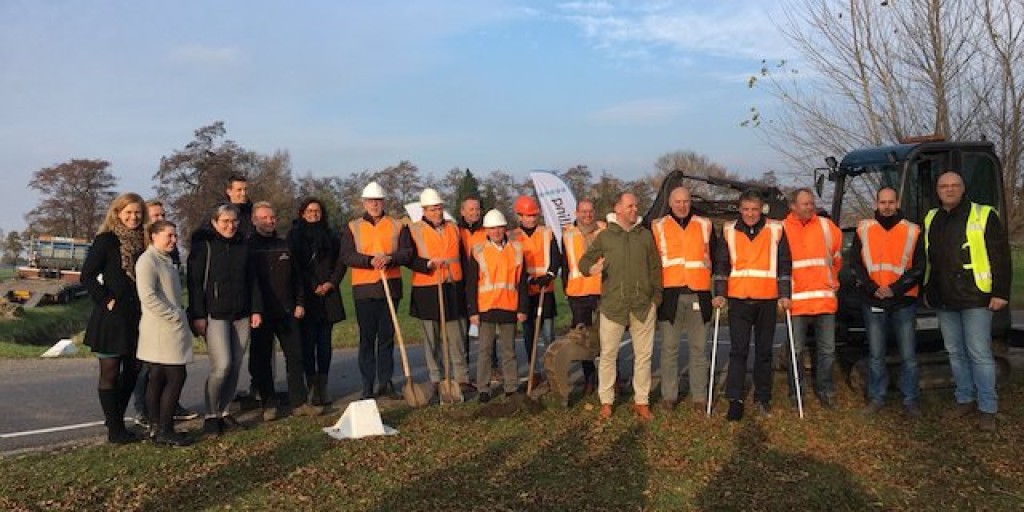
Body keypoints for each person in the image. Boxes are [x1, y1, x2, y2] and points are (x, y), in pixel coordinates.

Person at [924, 170, 1012, 432]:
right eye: (943, 186)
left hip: (976, 297)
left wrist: (1000, 293)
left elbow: (1000, 256)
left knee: (979, 354)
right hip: (944, 298)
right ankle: (964, 398)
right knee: (955, 353)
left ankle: (987, 407)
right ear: (938, 190)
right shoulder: (932, 217)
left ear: (963, 188)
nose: (949, 190)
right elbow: (930, 258)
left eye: (954, 185)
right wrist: (928, 291)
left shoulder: (983, 214)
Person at [579, 192, 662, 422]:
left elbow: (655, 268)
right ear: (617, 208)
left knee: (643, 356)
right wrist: (591, 269)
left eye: (636, 206)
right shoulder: (605, 237)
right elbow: (584, 262)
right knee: (608, 355)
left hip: (642, 306)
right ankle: (606, 402)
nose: (634, 210)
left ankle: (642, 402)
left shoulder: (645, 236)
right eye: (629, 206)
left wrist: (656, 299)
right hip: (613, 306)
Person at [713, 190, 792, 421]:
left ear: (762, 209)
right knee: (738, 351)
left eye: (754, 209)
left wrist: (784, 294)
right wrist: (720, 293)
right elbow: (721, 264)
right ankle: (735, 400)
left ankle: (762, 398)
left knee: (764, 352)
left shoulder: (776, 229)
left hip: (767, 299)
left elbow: (784, 264)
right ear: (740, 209)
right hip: (738, 300)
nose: (750, 214)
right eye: (746, 209)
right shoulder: (728, 230)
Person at [187, 203, 262, 437]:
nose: (230, 226)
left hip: (241, 314)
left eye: (234, 222)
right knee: (222, 366)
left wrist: (256, 310)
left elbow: (253, 281)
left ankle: (225, 411)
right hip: (214, 315)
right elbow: (195, 284)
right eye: (225, 222)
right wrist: (198, 315)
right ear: (214, 223)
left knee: (236, 365)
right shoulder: (204, 247)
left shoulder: (244, 246)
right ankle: (211, 414)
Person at [850, 187, 924, 417]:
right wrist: (873, 288)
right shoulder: (863, 229)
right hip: (873, 299)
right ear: (876, 204)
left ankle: (910, 399)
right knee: (875, 355)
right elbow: (856, 265)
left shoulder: (912, 231)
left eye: (891, 202)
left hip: (903, 300)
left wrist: (894, 289)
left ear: (897, 202)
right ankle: (877, 397)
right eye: (883, 202)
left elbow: (919, 267)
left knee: (909, 355)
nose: (887, 206)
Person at [82, 193, 148, 444]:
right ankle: (116, 430)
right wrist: (106, 299)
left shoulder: (145, 240)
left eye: (137, 213)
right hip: (112, 316)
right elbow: (87, 276)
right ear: (117, 213)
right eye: (128, 212)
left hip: (138, 316)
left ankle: (114, 420)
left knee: (134, 370)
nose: (133, 217)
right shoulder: (106, 240)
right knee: (110, 372)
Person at [340, 181, 414, 399]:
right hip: (364, 289)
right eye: (370, 201)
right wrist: (370, 260)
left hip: (390, 286)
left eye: (378, 200)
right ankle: (367, 385)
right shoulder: (353, 226)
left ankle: (385, 382)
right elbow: (347, 255)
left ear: (383, 202)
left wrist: (389, 259)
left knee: (386, 338)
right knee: (367, 339)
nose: (374, 204)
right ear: (364, 202)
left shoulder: (397, 225)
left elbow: (407, 252)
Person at [133, 200, 197, 429]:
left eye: (175, 236)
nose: (174, 240)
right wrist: (175, 316)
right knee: (174, 378)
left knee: (159, 379)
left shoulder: (166, 259)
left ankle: (159, 428)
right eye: (168, 236)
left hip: (168, 329)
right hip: (161, 330)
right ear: (154, 237)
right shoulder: (147, 261)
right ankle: (164, 428)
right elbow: (148, 297)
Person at [651, 186, 716, 413]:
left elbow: (715, 259)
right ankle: (669, 396)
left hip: (699, 294)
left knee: (699, 350)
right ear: (670, 203)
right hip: (670, 297)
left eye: (686, 201)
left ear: (691, 202)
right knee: (669, 348)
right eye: (677, 201)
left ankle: (699, 397)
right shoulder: (657, 227)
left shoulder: (705, 225)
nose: (682, 205)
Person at [781, 188, 842, 409]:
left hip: (824, 299)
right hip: (796, 301)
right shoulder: (782, 229)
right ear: (793, 206)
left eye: (811, 203)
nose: (809, 207)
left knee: (827, 350)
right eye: (804, 203)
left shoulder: (828, 227)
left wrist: (831, 283)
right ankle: (796, 392)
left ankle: (825, 390)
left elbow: (836, 260)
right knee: (795, 350)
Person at [249, 202, 310, 420]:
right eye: (264, 218)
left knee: (296, 357)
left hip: (287, 312)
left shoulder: (284, 245)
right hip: (261, 314)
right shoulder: (249, 247)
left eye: (272, 217)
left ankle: (299, 402)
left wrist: (300, 302)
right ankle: (269, 404)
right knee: (262, 360)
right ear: (254, 221)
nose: (269, 221)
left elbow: (297, 278)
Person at [407, 188, 470, 396]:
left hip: (452, 286)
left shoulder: (453, 228)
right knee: (431, 337)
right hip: (427, 288)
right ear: (424, 210)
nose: (437, 212)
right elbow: (408, 258)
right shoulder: (414, 229)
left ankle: (461, 378)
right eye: (432, 209)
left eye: (439, 208)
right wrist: (427, 264)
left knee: (456, 335)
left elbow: (461, 255)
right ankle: (436, 377)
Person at [465, 209, 530, 403]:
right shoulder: (478, 251)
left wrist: (523, 309)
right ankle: (483, 389)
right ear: (487, 230)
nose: (496, 232)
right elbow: (471, 284)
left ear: (504, 229)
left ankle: (511, 387)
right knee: (484, 351)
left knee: (509, 350)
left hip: (509, 307)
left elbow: (522, 283)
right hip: (486, 308)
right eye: (492, 229)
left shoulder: (517, 250)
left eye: (499, 228)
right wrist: (473, 311)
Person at [288, 197, 346, 411]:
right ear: (302, 213)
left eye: (317, 211)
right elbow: (296, 266)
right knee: (308, 343)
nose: (314, 214)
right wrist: (314, 285)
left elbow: (341, 261)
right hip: (307, 295)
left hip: (329, 295)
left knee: (324, 344)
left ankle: (324, 385)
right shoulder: (295, 236)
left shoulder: (331, 235)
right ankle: (311, 385)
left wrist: (331, 282)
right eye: (310, 211)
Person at [512, 195, 561, 387]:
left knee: (549, 334)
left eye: (534, 215)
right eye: (528, 216)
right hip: (526, 292)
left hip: (544, 290)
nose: (532, 219)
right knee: (529, 334)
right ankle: (535, 371)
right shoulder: (513, 236)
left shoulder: (546, 233)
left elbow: (556, 257)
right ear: (520, 216)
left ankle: (551, 371)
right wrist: (527, 279)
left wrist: (549, 275)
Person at [560, 199, 605, 394]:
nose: (587, 215)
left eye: (590, 211)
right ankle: (589, 379)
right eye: (583, 212)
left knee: (607, 337)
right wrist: (566, 289)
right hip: (578, 293)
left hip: (601, 291)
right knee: (583, 340)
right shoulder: (567, 233)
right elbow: (564, 263)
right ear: (577, 213)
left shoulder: (604, 230)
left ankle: (611, 379)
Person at [458, 196, 489, 371]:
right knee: (464, 328)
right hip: (461, 283)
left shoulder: (487, 230)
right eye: (471, 209)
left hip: (484, 283)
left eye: (477, 209)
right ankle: (465, 367)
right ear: (462, 211)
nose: (475, 212)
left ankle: (491, 365)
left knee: (487, 327)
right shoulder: (455, 231)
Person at [225, 174, 255, 240]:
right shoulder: (220, 213)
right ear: (229, 192)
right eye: (239, 190)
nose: (243, 193)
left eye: (245, 189)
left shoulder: (255, 211)